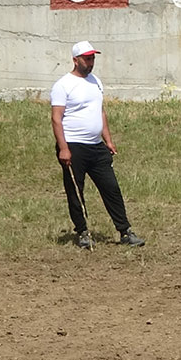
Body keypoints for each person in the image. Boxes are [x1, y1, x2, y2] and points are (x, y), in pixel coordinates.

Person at [51, 42, 145, 249]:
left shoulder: (95, 82)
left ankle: (125, 231)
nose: (91, 62)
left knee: (111, 188)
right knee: (76, 192)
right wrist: (64, 148)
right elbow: (56, 118)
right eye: (87, 58)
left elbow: (100, 112)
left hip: (96, 146)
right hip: (73, 146)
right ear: (75, 60)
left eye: (92, 58)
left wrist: (108, 140)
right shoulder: (63, 85)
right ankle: (83, 233)